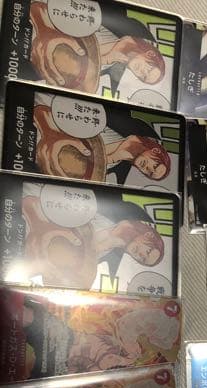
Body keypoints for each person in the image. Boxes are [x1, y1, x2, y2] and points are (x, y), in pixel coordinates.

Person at [21, 194, 164, 290]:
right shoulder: (111, 204)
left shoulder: (105, 257)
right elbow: (34, 201)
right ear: (149, 235)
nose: (141, 255)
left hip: (23, 246)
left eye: (143, 260)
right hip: (28, 209)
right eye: (148, 251)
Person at [29, 2, 166, 95]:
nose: (141, 72)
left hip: (30, 61)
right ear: (150, 54)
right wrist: (42, 25)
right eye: (149, 69)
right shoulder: (117, 20)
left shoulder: (109, 67)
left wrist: (104, 60)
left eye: (143, 77)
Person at [33, 104, 171, 184]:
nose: (148, 168)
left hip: (38, 155)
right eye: (155, 165)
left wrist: (113, 158)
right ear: (156, 151)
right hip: (43, 117)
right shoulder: (124, 117)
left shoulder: (117, 173)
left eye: (150, 173)